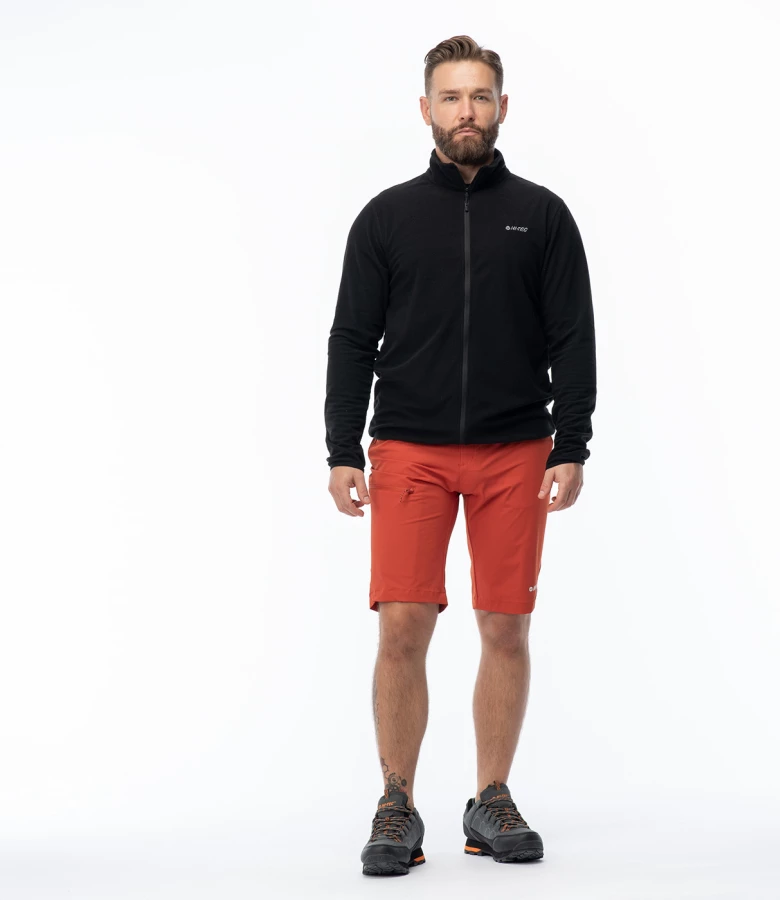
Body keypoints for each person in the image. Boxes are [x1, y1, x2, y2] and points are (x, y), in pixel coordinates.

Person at [324, 34, 597, 876]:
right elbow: (351, 338)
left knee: (505, 625)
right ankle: (396, 804)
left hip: (517, 449)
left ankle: (490, 798)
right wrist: (342, 448)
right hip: (410, 448)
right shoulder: (387, 217)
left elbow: (573, 335)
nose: (466, 111)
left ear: (502, 107)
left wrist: (572, 442)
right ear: (426, 110)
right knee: (403, 624)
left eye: (480, 96)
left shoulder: (543, 215)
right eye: (451, 97)